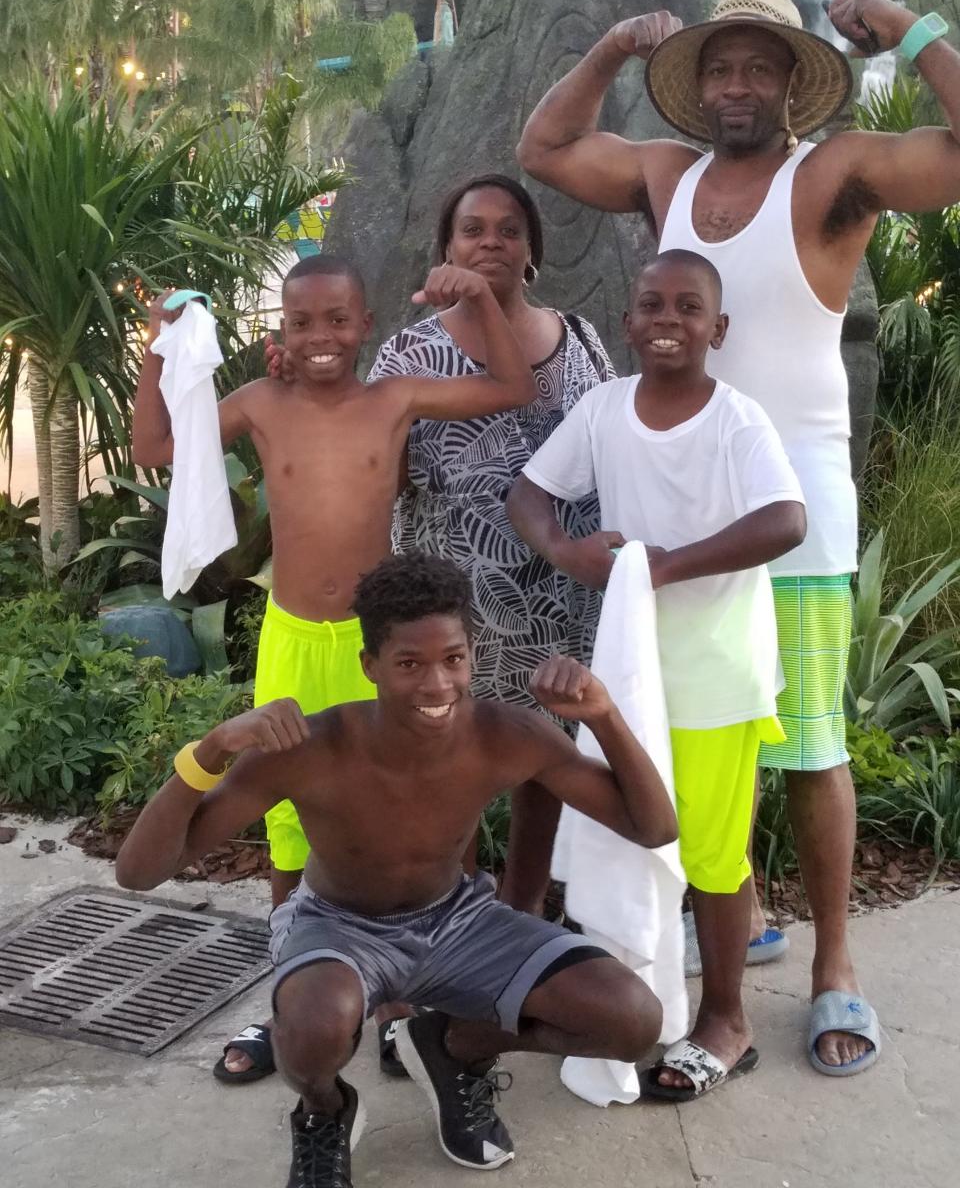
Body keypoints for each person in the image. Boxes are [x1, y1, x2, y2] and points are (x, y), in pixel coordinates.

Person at [516, 0, 960, 1075]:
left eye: (761, 66)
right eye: (720, 67)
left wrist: (911, 29)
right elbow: (545, 146)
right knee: (686, 730)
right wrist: (617, 39)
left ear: (795, 83)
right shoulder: (668, 176)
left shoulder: (833, 174)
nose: (738, 85)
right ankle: (742, 921)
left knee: (808, 743)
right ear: (697, 84)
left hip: (789, 512)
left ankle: (834, 969)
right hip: (664, 521)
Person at [115, 552, 679, 1187]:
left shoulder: (506, 734)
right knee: (312, 1030)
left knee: (632, 1022)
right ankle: (325, 1111)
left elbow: (655, 828)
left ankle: (450, 1046)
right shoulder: (310, 749)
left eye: (453, 659)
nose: (437, 685)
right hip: (337, 928)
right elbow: (139, 872)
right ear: (370, 667)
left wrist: (602, 716)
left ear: (472, 655)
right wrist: (212, 749)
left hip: (460, 921)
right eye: (410, 663)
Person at [132, 255, 537, 1082]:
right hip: (291, 640)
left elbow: (511, 388)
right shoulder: (260, 404)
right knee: (287, 818)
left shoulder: (393, 400)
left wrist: (486, 298)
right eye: (302, 322)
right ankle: (291, 991)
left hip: (377, 652)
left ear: (366, 325)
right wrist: (158, 348)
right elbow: (154, 446)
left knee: (411, 801)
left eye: (338, 320)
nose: (321, 338)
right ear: (280, 330)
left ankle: (405, 1000)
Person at [507, 250, 806, 1098]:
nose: (667, 319)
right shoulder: (604, 411)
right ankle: (631, 1003)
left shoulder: (736, 420)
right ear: (629, 322)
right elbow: (528, 494)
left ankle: (727, 1019)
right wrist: (563, 549)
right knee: (625, 832)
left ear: (719, 329)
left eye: (687, 307)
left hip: (715, 671)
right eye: (651, 305)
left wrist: (666, 567)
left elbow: (785, 518)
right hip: (629, 672)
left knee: (710, 851)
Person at [365, 174, 616, 918]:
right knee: (451, 761)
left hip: (560, 599)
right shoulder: (410, 353)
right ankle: (454, 912)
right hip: (456, 605)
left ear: (533, 249)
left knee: (546, 752)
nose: (491, 243)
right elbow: (373, 471)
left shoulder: (580, 339)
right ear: (446, 247)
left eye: (509, 230)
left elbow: (610, 446)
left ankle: (524, 906)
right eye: (473, 230)